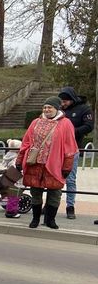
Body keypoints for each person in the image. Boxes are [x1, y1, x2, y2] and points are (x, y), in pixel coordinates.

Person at [16, 96, 78, 229]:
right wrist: (19, 160)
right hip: (35, 164)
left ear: (57, 108)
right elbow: (26, 143)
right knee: (35, 193)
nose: (47, 109)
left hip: (54, 165)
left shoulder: (66, 124)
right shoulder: (35, 122)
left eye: (50, 107)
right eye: (45, 107)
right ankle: (35, 219)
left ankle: (50, 220)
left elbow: (70, 147)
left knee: (55, 193)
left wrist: (67, 166)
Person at [57, 86, 94, 219]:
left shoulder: (84, 109)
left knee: (70, 179)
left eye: (65, 101)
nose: (63, 103)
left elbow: (89, 126)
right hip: (57, 148)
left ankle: (70, 206)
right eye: (61, 101)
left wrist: (72, 132)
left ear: (72, 99)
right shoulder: (59, 110)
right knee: (55, 178)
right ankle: (51, 204)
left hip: (73, 148)